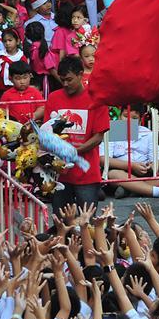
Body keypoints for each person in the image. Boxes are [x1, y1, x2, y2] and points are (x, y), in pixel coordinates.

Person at [41, 56, 109, 214]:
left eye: (69, 79)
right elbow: (47, 130)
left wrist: (76, 151)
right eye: (62, 80)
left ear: (80, 74)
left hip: (87, 174)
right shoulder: (54, 98)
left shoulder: (96, 99)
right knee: (61, 221)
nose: (65, 84)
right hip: (60, 175)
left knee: (88, 223)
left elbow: (98, 137)